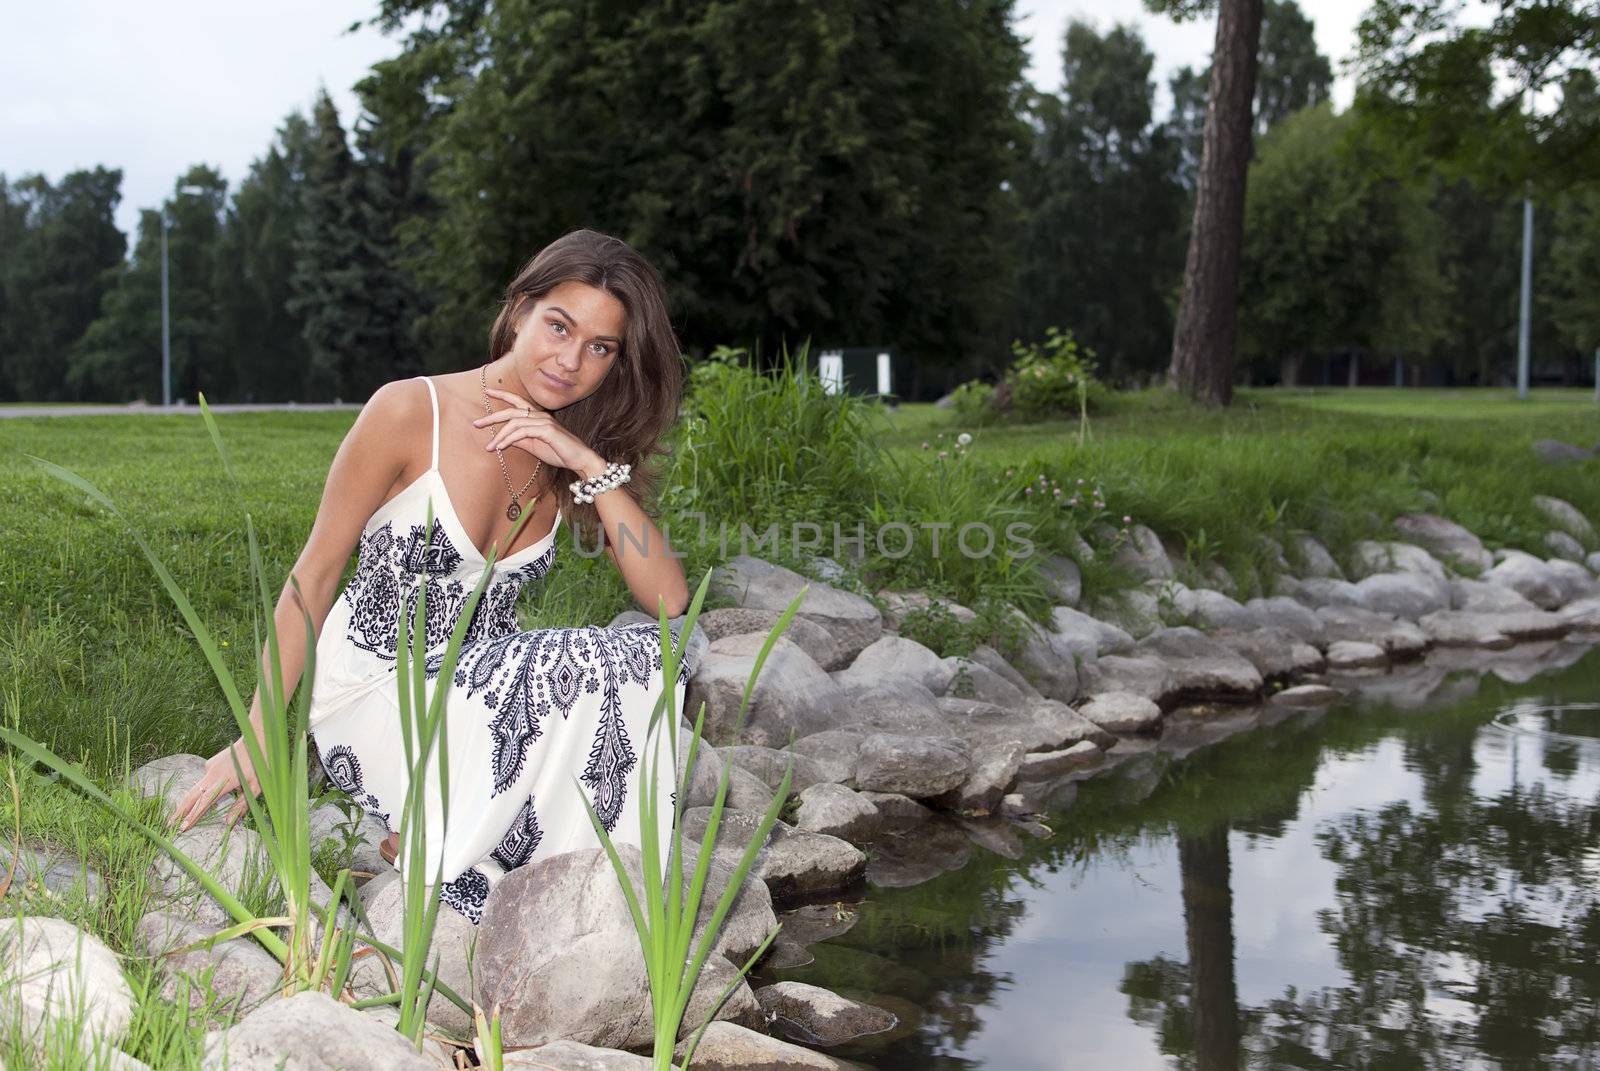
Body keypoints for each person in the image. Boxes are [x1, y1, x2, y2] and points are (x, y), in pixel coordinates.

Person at [171, 229, 692, 922]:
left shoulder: (566, 453)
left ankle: (533, 880)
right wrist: (261, 731)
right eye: (558, 326)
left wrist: (583, 460)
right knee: (576, 661)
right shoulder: (411, 411)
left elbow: (668, 597)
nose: (570, 360)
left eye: (600, 347)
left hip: (488, 700)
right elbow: (315, 574)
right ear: (519, 311)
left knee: (655, 653)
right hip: (376, 693)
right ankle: (465, 852)